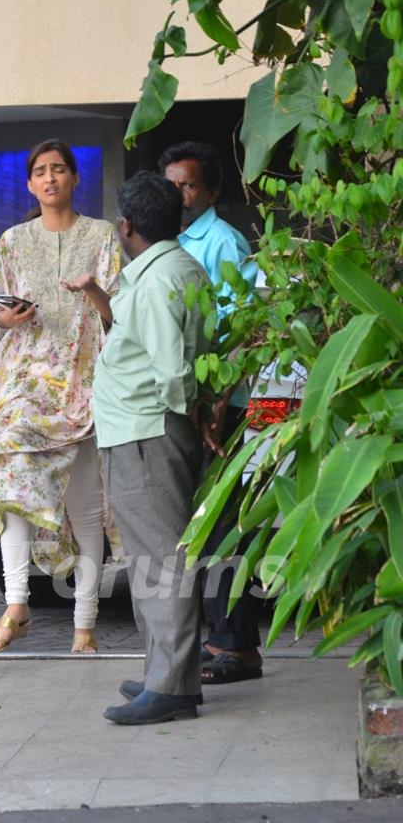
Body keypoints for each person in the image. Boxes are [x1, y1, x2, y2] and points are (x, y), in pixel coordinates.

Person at [0, 139, 121, 654]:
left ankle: (85, 628)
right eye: (40, 172)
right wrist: (7, 317)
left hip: (85, 383)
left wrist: (91, 291)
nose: (49, 178)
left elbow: (120, 314)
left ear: (74, 178)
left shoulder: (102, 236)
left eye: (58, 170)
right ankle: (17, 604)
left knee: (85, 509)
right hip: (26, 385)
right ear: (30, 184)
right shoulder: (12, 241)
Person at [93, 171, 210, 725]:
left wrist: (189, 415)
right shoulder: (177, 267)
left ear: (127, 226)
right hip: (142, 431)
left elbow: (171, 372)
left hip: (147, 433)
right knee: (151, 559)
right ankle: (164, 670)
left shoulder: (160, 279)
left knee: (162, 561)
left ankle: (173, 687)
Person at [158, 141, 262, 684]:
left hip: (227, 407)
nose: (181, 194)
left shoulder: (221, 242)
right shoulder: (168, 241)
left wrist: (220, 405)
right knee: (201, 525)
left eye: (190, 185)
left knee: (223, 526)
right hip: (196, 406)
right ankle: (218, 641)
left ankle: (236, 647)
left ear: (213, 191)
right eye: (172, 185)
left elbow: (246, 331)